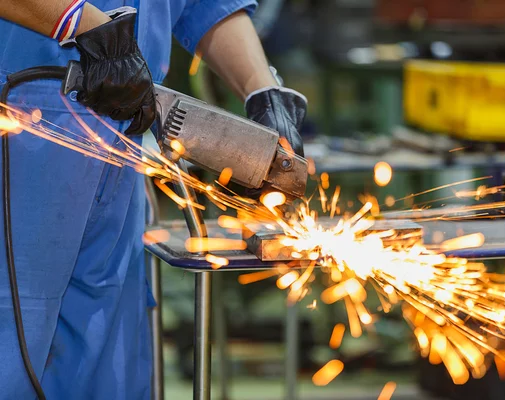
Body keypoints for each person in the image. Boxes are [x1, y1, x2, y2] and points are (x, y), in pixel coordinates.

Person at [0, 1, 306, 398]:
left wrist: (262, 89)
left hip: (122, 135)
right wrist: (87, 25)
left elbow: (203, 5)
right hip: (23, 127)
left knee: (106, 355)